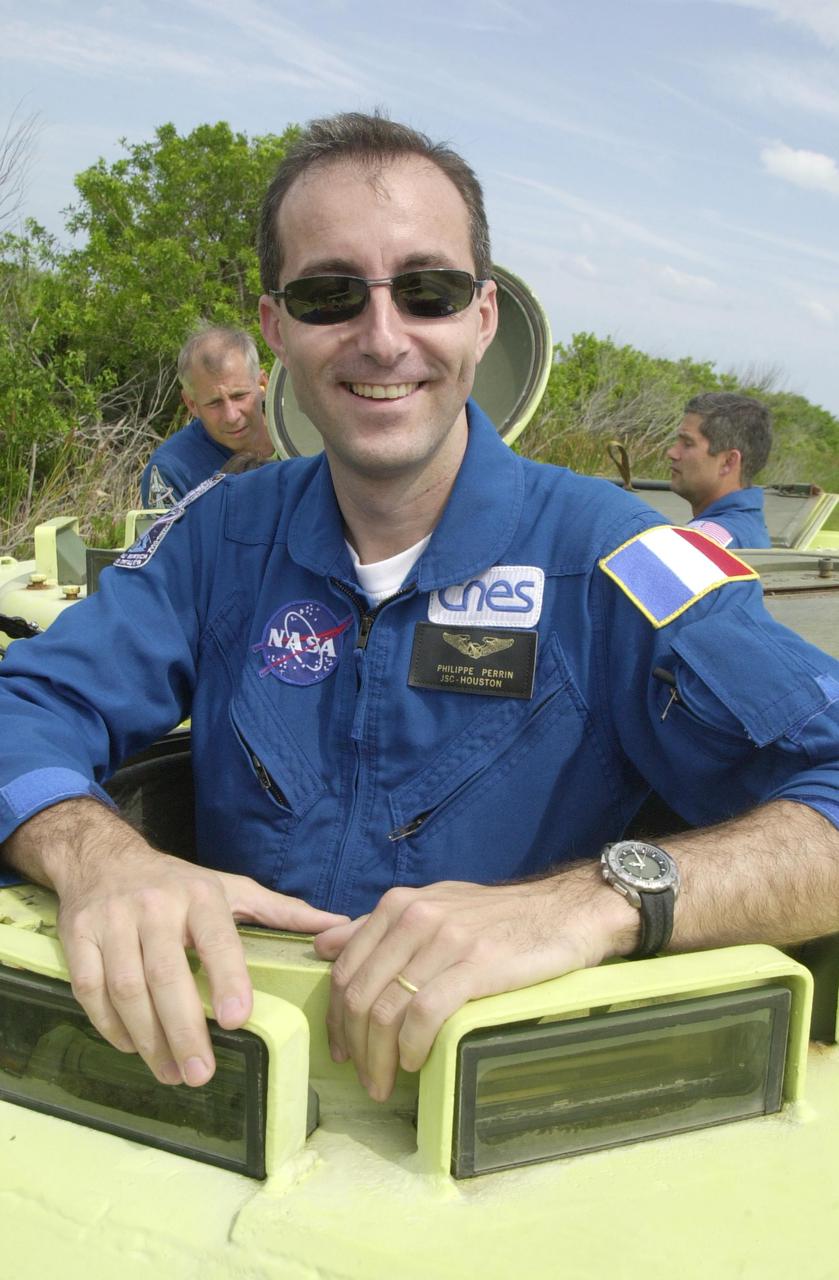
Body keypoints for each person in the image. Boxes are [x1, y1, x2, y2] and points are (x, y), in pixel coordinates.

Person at [1, 112, 838, 1108]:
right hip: (220, 1084)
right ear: (275, 328)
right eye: (328, 293)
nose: (383, 336)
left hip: (516, 1116)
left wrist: (597, 899)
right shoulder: (216, 535)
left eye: (427, 290)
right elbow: (30, 703)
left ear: (482, 317)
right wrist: (100, 857)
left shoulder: (611, 558)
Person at [140, 327, 273, 508]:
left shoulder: (303, 437)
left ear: (262, 384)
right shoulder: (172, 470)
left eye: (239, 396)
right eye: (214, 403)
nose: (231, 416)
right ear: (191, 404)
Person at [667, 392, 772, 548]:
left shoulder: (704, 543)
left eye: (688, 444)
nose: (672, 453)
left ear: (728, 462)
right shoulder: (747, 527)